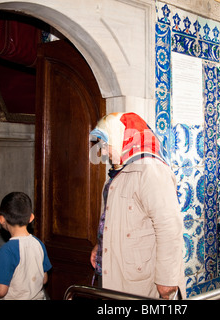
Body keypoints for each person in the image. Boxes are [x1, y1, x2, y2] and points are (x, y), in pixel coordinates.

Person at [89, 112, 185, 299]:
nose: (104, 152)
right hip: (112, 273)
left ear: (122, 137)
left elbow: (169, 226)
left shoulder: (151, 170)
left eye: (106, 144)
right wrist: (101, 246)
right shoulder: (117, 174)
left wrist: (166, 279)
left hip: (140, 282)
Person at [0, 192, 52, 300]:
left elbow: (0, 291)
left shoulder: (7, 250)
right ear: (31, 217)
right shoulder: (39, 244)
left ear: (1, 219)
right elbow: (44, 279)